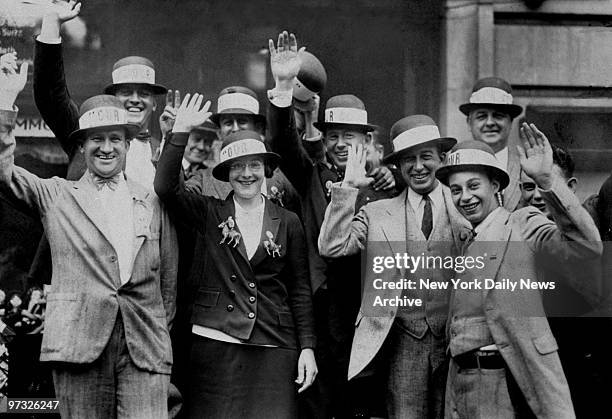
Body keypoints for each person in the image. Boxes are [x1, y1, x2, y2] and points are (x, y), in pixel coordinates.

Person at [0, 55, 177, 417]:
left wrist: (161, 333)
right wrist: (5, 103)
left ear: (128, 144)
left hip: (144, 349)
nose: (107, 148)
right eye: (96, 139)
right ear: (81, 146)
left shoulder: (152, 201)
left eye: (115, 138)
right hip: (79, 344)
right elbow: (4, 171)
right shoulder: (57, 195)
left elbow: (167, 281)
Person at [154, 93, 317, 419]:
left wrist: (308, 348)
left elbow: (299, 289)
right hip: (216, 338)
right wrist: (180, 133)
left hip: (274, 340)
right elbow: (165, 188)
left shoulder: (288, 221)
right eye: (237, 167)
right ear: (226, 173)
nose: (246, 174)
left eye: (254, 165)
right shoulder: (209, 211)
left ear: (266, 170)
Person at [267, 31, 397, 418]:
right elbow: (284, 139)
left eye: (350, 136)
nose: (341, 144)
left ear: (366, 139)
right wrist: (283, 87)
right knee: (318, 402)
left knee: (362, 400)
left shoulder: (384, 189)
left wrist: (392, 179)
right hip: (318, 307)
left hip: (365, 308)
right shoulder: (311, 175)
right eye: (334, 136)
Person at [435, 123, 602, 418]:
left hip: (506, 383)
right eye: (456, 190)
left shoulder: (523, 222)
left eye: (474, 186)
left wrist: (548, 180)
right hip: (462, 387)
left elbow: (586, 247)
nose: (465, 198)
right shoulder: (464, 242)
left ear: (496, 186)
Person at [318, 115, 470, 418]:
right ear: (398, 166)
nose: (418, 167)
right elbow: (332, 246)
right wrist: (348, 188)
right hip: (402, 346)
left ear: (442, 158)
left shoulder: (464, 204)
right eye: (408, 160)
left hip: (456, 344)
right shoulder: (376, 212)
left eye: (426, 157)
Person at [522, 145, 612, 418]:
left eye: (546, 183)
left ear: (570, 187)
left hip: (590, 371)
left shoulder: (589, 230)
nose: (538, 195)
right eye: (529, 186)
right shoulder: (516, 230)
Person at [460, 77, 524, 210]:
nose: (490, 123)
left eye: (498, 115)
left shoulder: (526, 165)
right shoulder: (452, 165)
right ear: (469, 123)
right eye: (482, 116)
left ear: (511, 122)